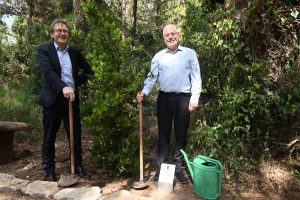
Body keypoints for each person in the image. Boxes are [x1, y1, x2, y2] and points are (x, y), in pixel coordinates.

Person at [136, 24, 202, 183]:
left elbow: (196, 77)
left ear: (178, 35)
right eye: (167, 35)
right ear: (163, 37)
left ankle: (179, 168)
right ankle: (161, 169)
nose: (170, 37)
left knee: (181, 133)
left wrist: (194, 98)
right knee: (163, 133)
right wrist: (144, 91)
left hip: (183, 98)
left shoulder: (189, 54)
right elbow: (151, 77)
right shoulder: (158, 56)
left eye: (173, 34)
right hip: (164, 99)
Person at [37, 19, 93, 181]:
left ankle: (78, 166)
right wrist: (63, 87)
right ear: (52, 34)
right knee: (49, 136)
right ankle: (49, 170)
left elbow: (89, 71)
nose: (62, 33)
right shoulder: (44, 50)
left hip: (71, 99)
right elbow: (48, 72)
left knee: (75, 135)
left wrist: (74, 84)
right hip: (52, 100)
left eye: (65, 31)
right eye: (59, 30)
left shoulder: (74, 52)